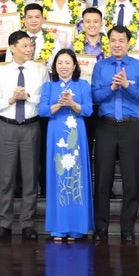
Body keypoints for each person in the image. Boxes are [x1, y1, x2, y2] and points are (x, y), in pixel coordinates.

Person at [90, 25, 139, 242]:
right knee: (102, 180)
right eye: (113, 40)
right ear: (108, 43)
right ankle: (101, 228)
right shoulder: (101, 66)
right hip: (105, 126)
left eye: (121, 40)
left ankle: (127, 229)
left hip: (130, 127)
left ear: (128, 43)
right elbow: (94, 96)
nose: (117, 44)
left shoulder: (138, 66)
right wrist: (112, 88)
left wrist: (126, 85)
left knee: (131, 180)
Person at [0, 30, 47, 241]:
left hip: (31, 126)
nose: (29, 49)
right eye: (25, 45)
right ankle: (3, 223)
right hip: (7, 127)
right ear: (12, 48)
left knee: (30, 178)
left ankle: (27, 224)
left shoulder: (40, 70)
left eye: (31, 45)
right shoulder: (1, 72)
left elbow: (45, 101)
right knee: (6, 178)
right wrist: (11, 100)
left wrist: (28, 97)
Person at [39, 48, 93, 241]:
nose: (63, 66)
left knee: (76, 177)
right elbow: (42, 110)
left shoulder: (83, 85)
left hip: (76, 134)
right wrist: (60, 104)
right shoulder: (48, 86)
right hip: (56, 133)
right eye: (60, 63)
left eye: (67, 63)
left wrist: (72, 104)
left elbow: (88, 110)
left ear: (74, 65)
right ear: (54, 66)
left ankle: (77, 227)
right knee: (58, 175)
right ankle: (58, 227)